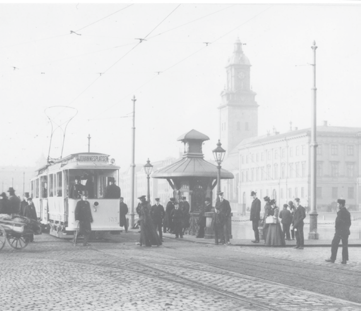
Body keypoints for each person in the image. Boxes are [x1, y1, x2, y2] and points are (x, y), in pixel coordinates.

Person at [326, 199, 351, 264]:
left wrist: (338, 230)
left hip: (339, 231)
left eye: (338, 204)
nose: (337, 205)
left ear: (341, 204)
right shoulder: (347, 213)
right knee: (345, 245)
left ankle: (332, 258)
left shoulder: (340, 212)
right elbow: (349, 223)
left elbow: (338, 222)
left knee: (334, 243)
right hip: (345, 231)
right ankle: (344, 259)